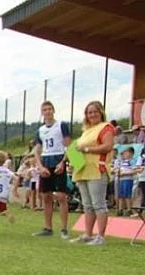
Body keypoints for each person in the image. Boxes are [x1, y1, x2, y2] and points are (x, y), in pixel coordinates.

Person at [70, 101, 116, 245]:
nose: (92, 114)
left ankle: (100, 236)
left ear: (101, 112)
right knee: (87, 204)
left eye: (95, 111)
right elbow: (77, 148)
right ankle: (88, 234)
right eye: (89, 112)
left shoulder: (106, 127)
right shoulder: (86, 131)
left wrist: (88, 150)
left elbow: (108, 146)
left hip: (97, 169)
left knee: (98, 203)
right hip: (83, 170)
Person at [32, 100, 72, 238]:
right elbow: (37, 150)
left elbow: (68, 146)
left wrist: (63, 162)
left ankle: (64, 228)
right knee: (46, 196)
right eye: (45, 110)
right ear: (42, 113)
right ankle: (48, 227)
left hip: (58, 159)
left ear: (53, 110)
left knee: (61, 195)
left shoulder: (61, 125)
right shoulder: (40, 130)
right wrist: (40, 166)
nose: (48, 112)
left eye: (50, 109)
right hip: (46, 160)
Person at [113, 146, 136, 216]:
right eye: (125, 153)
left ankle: (129, 209)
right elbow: (116, 170)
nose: (126, 154)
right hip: (121, 180)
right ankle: (120, 209)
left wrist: (124, 173)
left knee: (127, 195)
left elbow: (135, 170)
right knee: (120, 195)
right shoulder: (121, 161)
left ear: (131, 154)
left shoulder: (133, 161)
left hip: (128, 179)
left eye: (127, 153)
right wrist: (118, 172)